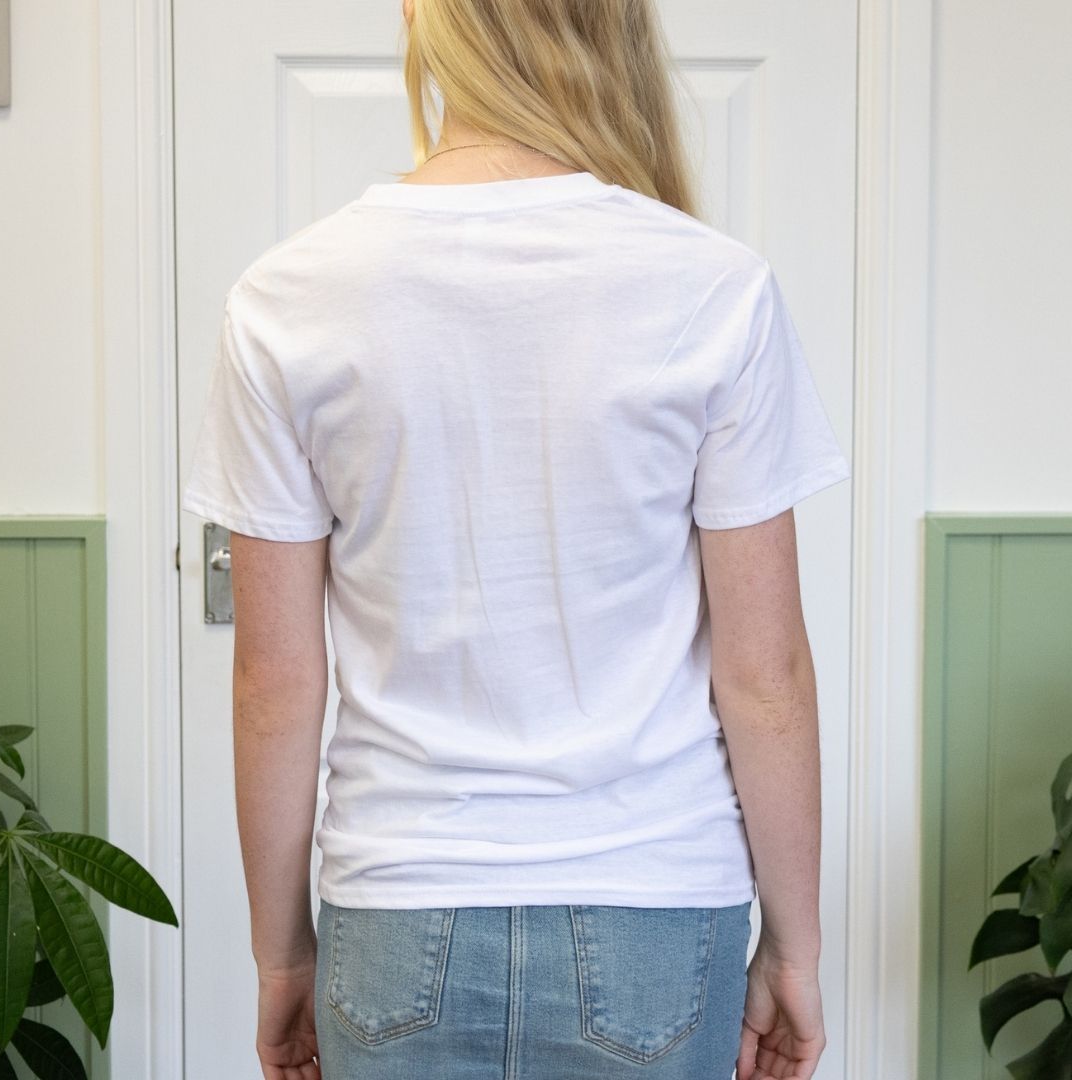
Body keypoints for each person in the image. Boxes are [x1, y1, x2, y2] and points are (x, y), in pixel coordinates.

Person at [181, 0, 849, 1077]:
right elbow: (763, 674)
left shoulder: (285, 301)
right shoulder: (716, 290)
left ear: (424, 21)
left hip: (395, 914)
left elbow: (274, 681)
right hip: (658, 914)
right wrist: (799, 950)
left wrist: (280, 959)